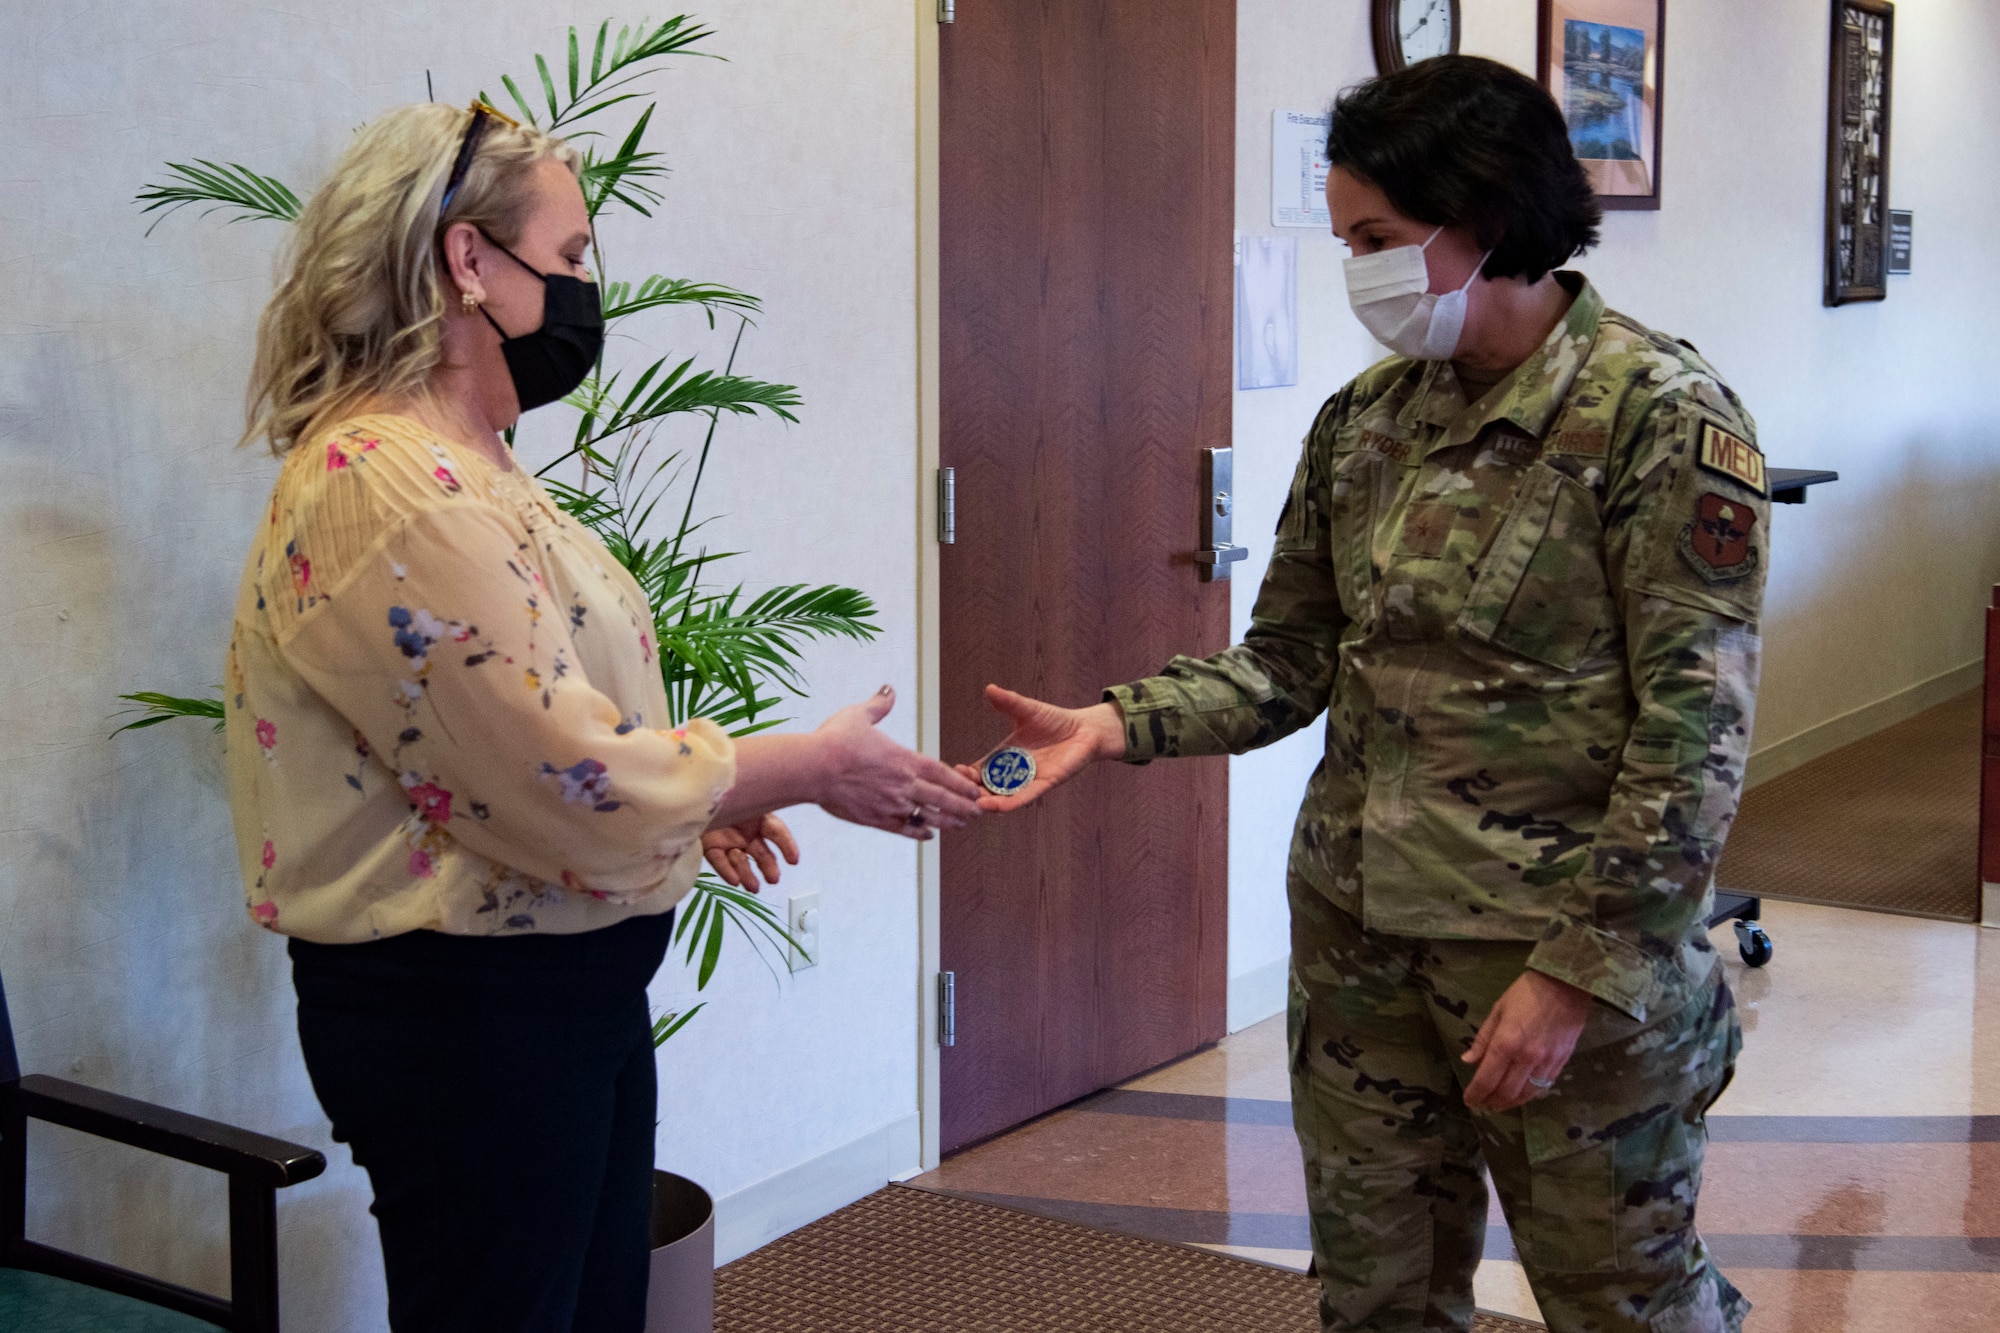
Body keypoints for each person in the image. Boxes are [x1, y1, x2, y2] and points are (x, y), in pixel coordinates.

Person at [964, 57, 1764, 1333]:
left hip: (1555, 960)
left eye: (1378, 239)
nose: (1358, 271)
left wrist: (1577, 972)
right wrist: (1117, 723)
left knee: (1624, 1303)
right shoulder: (1364, 424)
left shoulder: (1655, 418)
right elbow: (1289, 658)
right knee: (1374, 1299)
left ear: (1485, 217)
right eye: (1346, 240)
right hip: (1358, 952)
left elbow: (1694, 735)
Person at [223, 101, 982, 1333]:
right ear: (469, 262)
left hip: (546, 989)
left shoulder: (472, 462)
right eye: (570, 256)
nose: (587, 289)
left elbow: (536, 721)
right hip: (465, 1012)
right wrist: (795, 766)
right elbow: (556, 771)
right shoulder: (388, 483)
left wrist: (699, 808)